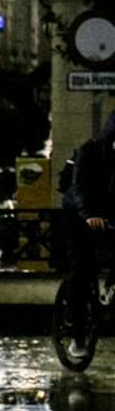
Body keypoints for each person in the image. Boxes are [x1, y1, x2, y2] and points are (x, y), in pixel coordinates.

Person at [65, 108, 115, 309]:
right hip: (79, 212)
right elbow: (80, 186)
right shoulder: (90, 151)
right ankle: (76, 334)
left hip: (109, 214)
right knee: (82, 268)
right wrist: (90, 214)